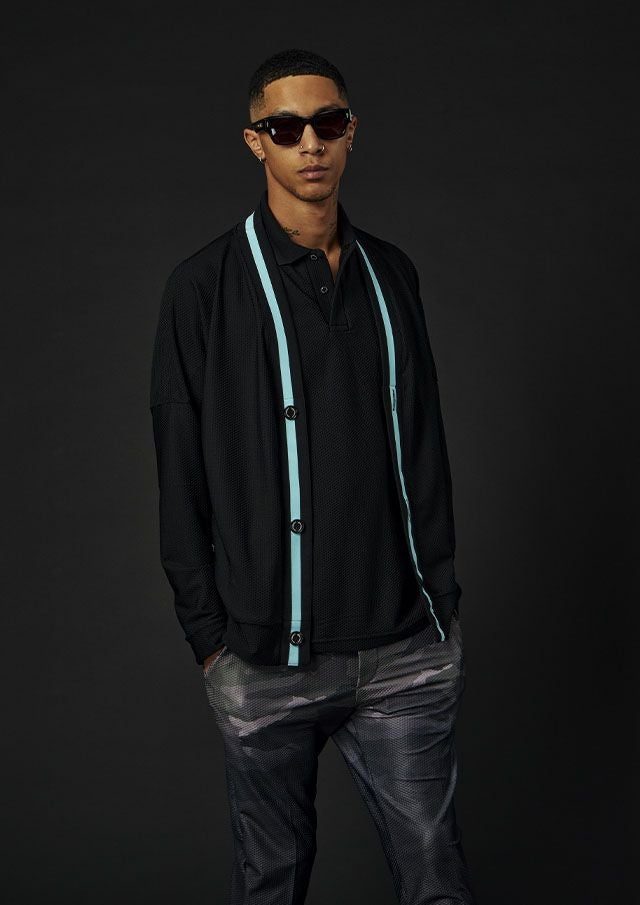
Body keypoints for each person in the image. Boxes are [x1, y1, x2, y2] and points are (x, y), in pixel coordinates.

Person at [149, 47, 477, 905]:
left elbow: (423, 445)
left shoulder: (392, 274)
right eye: (286, 127)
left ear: (350, 132)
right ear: (254, 140)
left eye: (327, 123)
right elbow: (178, 475)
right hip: (264, 659)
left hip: (403, 651)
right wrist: (210, 639)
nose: (310, 144)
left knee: (438, 882)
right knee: (273, 884)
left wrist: (439, 603)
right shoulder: (202, 290)